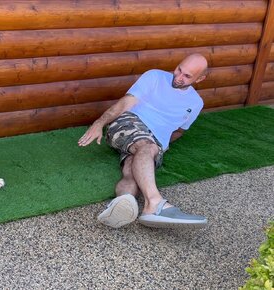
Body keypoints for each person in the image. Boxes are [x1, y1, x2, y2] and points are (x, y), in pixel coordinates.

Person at [78, 53, 208, 229]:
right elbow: (126, 103)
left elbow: (178, 131)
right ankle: (154, 204)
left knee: (133, 171)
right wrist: (100, 122)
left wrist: (161, 146)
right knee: (147, 146)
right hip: (130, 122)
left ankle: (121, 204)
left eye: (187, 76)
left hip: (155, 141)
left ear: (200, 79)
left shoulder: (196, 103)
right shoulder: (154, 76)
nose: (178, 77)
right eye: (179, 69)